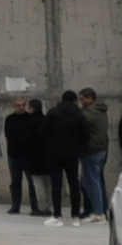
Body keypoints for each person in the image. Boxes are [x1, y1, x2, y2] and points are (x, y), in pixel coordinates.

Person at [42, 90, 87, 227]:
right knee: (74, 184)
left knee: (56, 185)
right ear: (74, 100)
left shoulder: (53, 112)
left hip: (55, 154)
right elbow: (85, 135)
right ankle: (75, 217)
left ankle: (57, 216)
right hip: (72, 154)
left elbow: (43, 132)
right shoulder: (79, 114)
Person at [3, 96, 42, 215]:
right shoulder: (9, 119)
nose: (21, 107)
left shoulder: (30, 118)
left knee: (32, 183)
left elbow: (32, 136)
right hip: (13, 155)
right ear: (14, 106)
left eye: (23, 105)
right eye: (18, 105)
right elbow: (8, 135)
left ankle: (35, 207)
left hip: (28, 156)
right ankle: (15, 206)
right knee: (15, 182)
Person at [79, 87, 110, 223]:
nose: (81, 102)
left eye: (83, 99)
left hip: (91, 151)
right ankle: (101, 210)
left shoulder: (89, 112)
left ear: (90, 98)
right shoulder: (100, 111)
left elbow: (79, 122)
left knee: (91, 182)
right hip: (101, 150)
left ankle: (98, 213)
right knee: (97, 181)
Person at [24, 98, 54, 214]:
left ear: (32, 108)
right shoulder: (46, 120)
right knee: (48, 184)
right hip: (47, 156)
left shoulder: (29, 122)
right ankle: (49, 206)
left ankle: (42, 208)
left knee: (38, 184)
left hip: (34, 157)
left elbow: (27, 140)